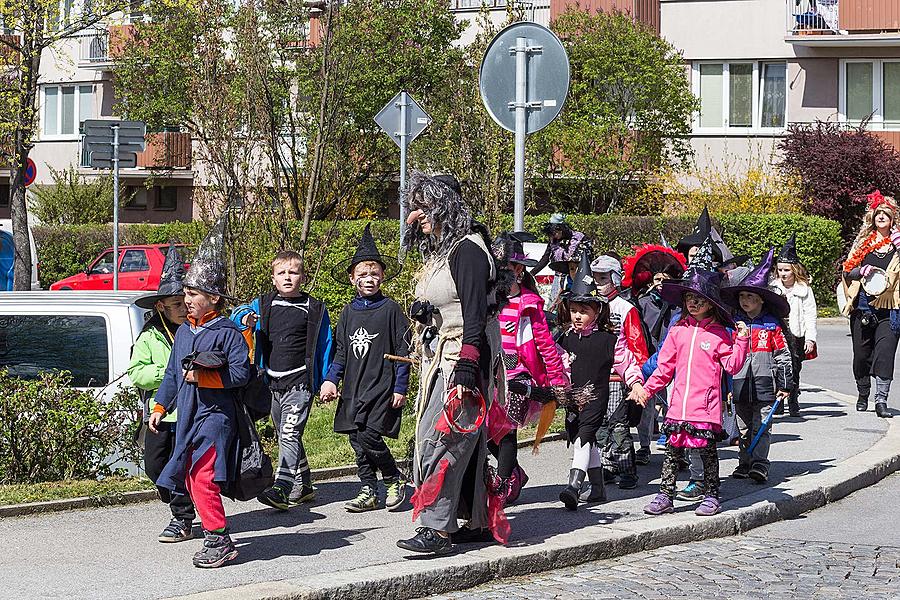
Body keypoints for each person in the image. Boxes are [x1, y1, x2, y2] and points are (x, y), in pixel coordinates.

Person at [397, 172, 502, 555]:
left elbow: (475, 316)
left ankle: (437, 530)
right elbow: (453, 304)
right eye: (416, 206)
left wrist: (467, 368)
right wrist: (426, 314)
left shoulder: (468, 251)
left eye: (425, 206)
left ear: (445, 206)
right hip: (444, 355)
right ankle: (475, 521)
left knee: (440, 439)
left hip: (462, 357)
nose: (417, 214)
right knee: (464, 443)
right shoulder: (443, 250)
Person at [148, 218, 252, 568]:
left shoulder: (228, 333)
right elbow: (172, 375)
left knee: (202, 476)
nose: (186, 300)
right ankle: (214, 534)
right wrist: (161, 404)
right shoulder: (182, 335)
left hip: (216, 417)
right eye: (185, 294)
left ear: (214, 298)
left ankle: (218, 539)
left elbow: (241, 374)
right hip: (189, 416)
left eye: (193, 294)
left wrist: (204, 378)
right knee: (190, 475)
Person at [637, 267, 749, 517]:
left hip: (706, 408)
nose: (694, 303)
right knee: (672, 453)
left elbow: (732, 365)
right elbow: (664, 369)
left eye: (700, 299)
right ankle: (665, 495)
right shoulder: (678, 331)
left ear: (711, 304)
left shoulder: (719, 334)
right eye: (690, 298)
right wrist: (646, 390)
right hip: (678, 407)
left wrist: (742, 341)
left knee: (707, 453)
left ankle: (711, 495)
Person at [231, 250, 334, 510]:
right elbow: (237, 316)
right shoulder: (264, 304)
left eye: (293, 272)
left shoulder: (315, 309)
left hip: (300, 383)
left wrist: (326, 380)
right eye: (282, 273)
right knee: (286, 435)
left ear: (303, 276)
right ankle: (305, 483)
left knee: (289, 433)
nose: (288, 278)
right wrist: (245, 318)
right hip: (272, 383)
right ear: (274, 278)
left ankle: (282, 487)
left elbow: (325, 346)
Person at [319, 225, 411, 513]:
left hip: (381, 384)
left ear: (382, 276)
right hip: (354, 386)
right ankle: (368, 488)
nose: (369, 280)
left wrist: (400, 387)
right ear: (352, 279)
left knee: (370, 434)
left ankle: (393, 478)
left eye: (374, 274)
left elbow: (403, 351)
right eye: (362, 275)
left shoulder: (391, 310)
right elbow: (342, 351)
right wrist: (331, 380)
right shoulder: (347, 312)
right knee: (356, 440)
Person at [556, 252, 645, 510]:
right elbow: (557, 363)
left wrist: (637, 383)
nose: (577, 315)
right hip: (573, 398)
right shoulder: (566, 338)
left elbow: (626, 362)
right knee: (586, 440)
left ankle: (574, 485)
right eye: (573, 310)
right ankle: (597, 489)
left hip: (596, 396)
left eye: (584, 310)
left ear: (597, 311)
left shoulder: (608, 340)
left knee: (584, 437)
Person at [489, 232, 569, 506]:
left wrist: (557, 381)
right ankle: (513, 472)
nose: (500, 272)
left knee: (507, 429)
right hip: (491, 376)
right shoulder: (488, 301)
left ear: (519, 270)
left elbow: (546, 344)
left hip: (517, 377)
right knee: (487, 431)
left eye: (506, 267)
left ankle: (501, 486)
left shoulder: (529, 304)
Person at [129, 245, 195, 543]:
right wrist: (168, 372)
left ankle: (182, 518)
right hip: (160, 413)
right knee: (157, 467)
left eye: (186, 302)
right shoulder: (150, 335)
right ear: (160, 307)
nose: (183, 309)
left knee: (189, 466)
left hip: (193, 413)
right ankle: (183, 504)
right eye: (176, 304)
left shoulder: (198, 330)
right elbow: (136, 374)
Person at [721, 249, 793, 483]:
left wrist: (784, 384)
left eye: (751, 297)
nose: (746, 301)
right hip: (740, 384)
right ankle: (745, 462)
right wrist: (727, 386)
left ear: (761, 299)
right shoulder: (734, 325)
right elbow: (726, 357)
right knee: (742, 427)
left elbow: (783, 354)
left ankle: (760, 463)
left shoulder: (772, 325)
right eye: (742, 297)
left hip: (765, 383)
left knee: (761, 426)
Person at [622, 243, 687, 465]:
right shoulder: (642, 302)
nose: (661, 285)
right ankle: (644, 445)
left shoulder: (678, 306)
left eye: (666, 281)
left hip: (673, 360)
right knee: (646, 404)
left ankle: (677, 447)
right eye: (658, 280)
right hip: (648, 360)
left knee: (674, 404)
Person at [590, 253, 650, 490]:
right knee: (599, 423)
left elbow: (638, 346)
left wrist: (638, 379)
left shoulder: (626, 308)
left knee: (618, 423)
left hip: (619, 374)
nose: (598, 283)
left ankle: (627, 469)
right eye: (595, 277)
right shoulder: (589, 305)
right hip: (595, 374)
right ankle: (606, 466)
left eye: (603, 278)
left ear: (615, 278)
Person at [841, 190, 900, 418]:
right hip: (864, 305)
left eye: (886, 213)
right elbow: (847, 270)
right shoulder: (864, 241)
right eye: (878, 214)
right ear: (873, 218)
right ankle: (863, 393)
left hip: (891, 308)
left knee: (885, 355)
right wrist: (860, 270)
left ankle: (881, 400)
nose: (882, 217)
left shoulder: (898, 242)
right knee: (862, 356)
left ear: (893, 218)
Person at [770, 234, 817, 417]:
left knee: (794, 367)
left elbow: (810, 314)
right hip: (777, 332)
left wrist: (810, 338)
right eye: (780, 270)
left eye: (786, 270)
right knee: (777, 367)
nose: (783, 274)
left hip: (796, 334)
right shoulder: (773, 288)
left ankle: (793, 399)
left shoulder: (803, 290)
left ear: (794, 271)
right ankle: (779, 400)